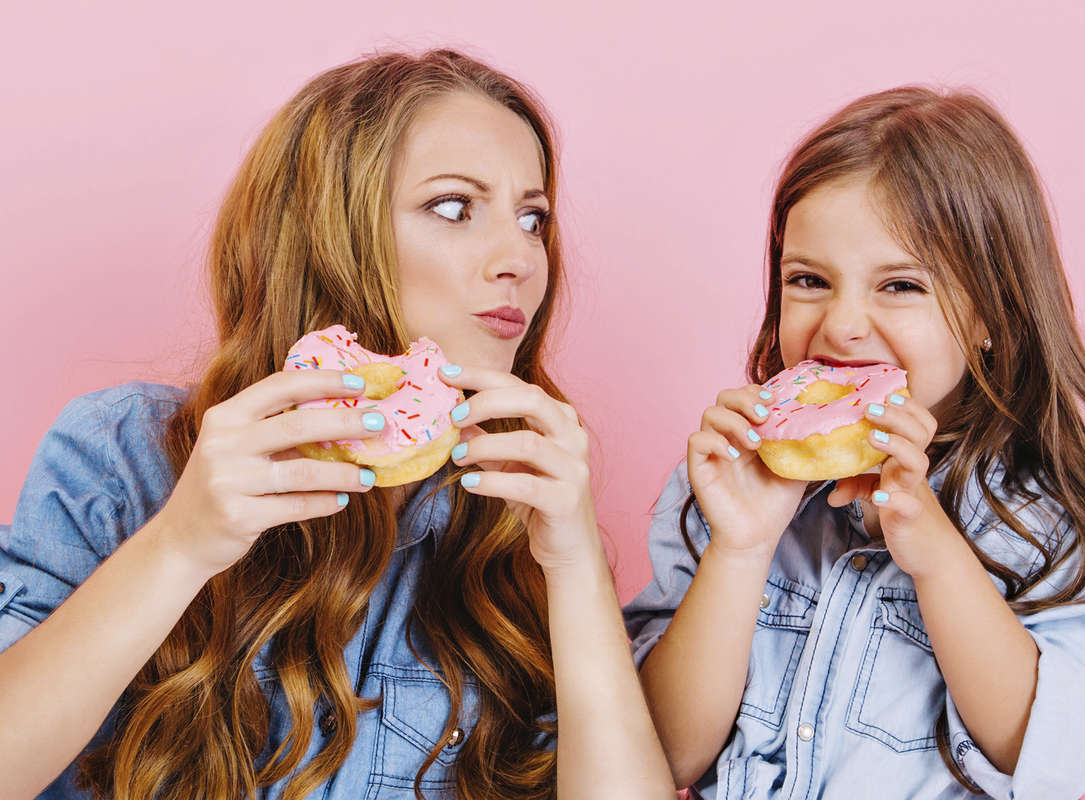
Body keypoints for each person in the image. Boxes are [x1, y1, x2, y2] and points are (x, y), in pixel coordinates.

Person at [0, 49, 673, 800]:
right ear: (329, 233)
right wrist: (180, 545)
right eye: (455, 207)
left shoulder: (521, 509)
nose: (520, 257)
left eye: (532, 218)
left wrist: (574, 568)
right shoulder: (125, 454)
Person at [624, 87, 1085, 799]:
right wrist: (740, 549)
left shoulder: (1044, 527)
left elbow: (1051, 765)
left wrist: (937, 555)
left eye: (901, 285)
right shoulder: (728, 485)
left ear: (991, 312)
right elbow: (662, 759)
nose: (843, 324)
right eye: (809, 280)